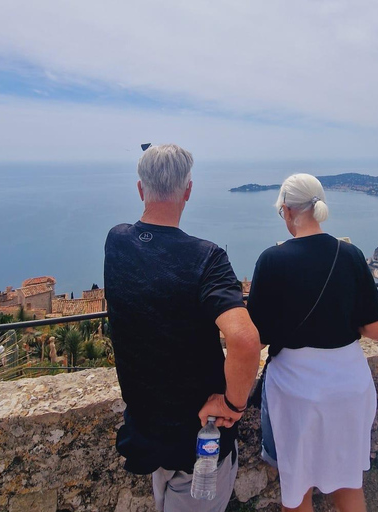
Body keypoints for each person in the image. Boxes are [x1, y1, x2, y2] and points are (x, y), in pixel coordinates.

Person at [104, 144, 261, 512]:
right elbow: (244, 339)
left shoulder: (116, 240)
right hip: (198, 438)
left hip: (146, 432)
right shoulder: (206, 258)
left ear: (141, 190)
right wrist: (234, 404)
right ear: (188, 191)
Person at [247, 173, 378, 512]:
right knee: (348, 484)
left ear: (286, 210)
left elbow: (257, 338)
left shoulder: (272, 260)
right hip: (349, 388)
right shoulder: (350, 254)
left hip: (297, 393)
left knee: (297, 492)